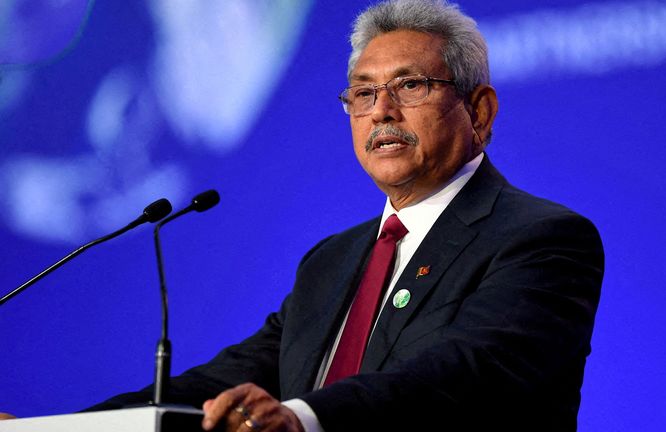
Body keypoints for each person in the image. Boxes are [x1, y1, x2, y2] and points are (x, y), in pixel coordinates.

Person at [3, 0, 604, 430]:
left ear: (479, 109)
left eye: (410, 86)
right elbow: (226, 380)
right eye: (363, 93)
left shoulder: (542, 239)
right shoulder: (334, 260)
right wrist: (48, 430)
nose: (381, 111)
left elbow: (463, 376)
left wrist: (301, 416)